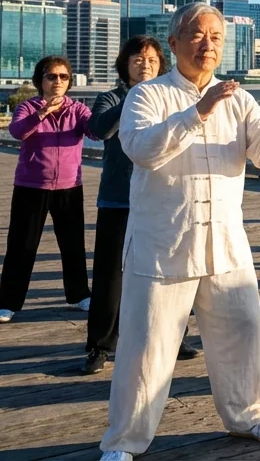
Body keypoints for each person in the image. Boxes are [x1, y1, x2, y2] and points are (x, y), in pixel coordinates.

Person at [98, 2, 260, 461]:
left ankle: (250, 416)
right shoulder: (148, 96)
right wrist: (198, 112)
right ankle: (124, 441)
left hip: (226, 241)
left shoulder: (240, 98)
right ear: (173, 44)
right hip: (163, 242)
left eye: (215, 37)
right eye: (197, 35)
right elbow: (142, 150)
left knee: (244, 332)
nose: (208, 45)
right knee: (146, 345)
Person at [81, 35, 200, 375]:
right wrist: (134, 97)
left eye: (151, 59)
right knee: (109, 276)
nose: (144, 64)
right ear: (125, 63)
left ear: (162, 64)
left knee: (169, 271)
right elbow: (98, 129)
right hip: (118, 200)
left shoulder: (171, 98)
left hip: (163, 200)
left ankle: (176, 337)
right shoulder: (111, 97)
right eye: (137, 58)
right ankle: (100, 345)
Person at [0, 56, 96, 323]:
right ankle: (8, 303)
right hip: (31, 186)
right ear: (40, 80)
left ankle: (79, 295)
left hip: (70, 187)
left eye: (63, 77)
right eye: (52, 76)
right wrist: (42, 113)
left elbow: (95, 132)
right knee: (21, 246)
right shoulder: (27, 107)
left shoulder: (78, 110)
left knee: (72, 245)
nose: (58, 81)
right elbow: (17, 132)